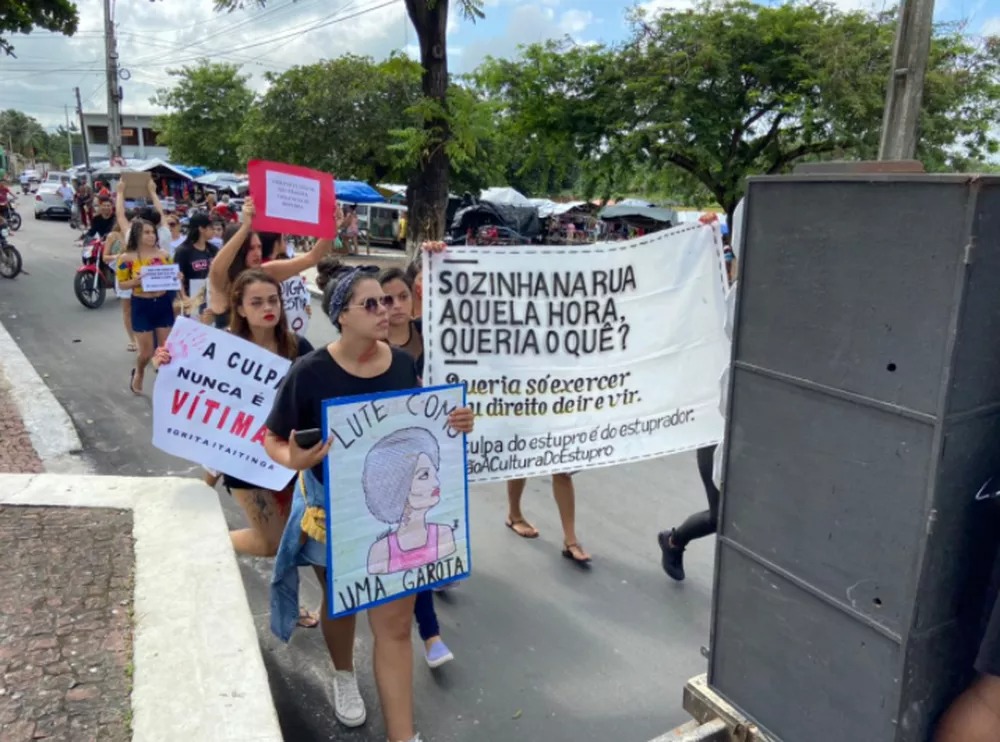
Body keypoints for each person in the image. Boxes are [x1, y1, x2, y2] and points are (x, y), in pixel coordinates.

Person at [265, 266, 475, 742]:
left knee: (396, 626)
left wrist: (457, 421)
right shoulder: (310, 372)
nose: (387, 311)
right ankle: (343, 675)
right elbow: (273, 438)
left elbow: (419, 420)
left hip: (395, 512)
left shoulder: (402, 363)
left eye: (388, 301)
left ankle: (403, 737)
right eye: (372, 304)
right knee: (342, 607)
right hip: (331, 512)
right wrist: (292, 456)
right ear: (341, 315)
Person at [657, 206, 741, 581]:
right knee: (722, 514)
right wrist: (699, 241)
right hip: (714, 424)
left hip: (756, 428)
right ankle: (674, 540)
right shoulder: (724, 303)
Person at [378, 266, 454, 669]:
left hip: (437, 448)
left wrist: (437, 256)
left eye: (402, 297)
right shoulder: (369, 347)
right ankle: (431, 634)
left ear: (415, 299)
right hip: (396, 458)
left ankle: (438, 574)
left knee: (429, 534)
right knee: (412, 539)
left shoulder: (436, 336)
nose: (394, 307)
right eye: (384, 300)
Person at [207, 198, 331, 328]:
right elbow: (216, 268)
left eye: (259, 247)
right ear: (238, 251)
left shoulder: (265, 272)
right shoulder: (222, 283)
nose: (257, 253)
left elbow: (312, 258)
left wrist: (331, 226)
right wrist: (245, 227)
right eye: (251, 248)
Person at [115, 218, 174, 395]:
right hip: (141, 304)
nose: (151, 236)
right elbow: (122, 284)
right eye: (146, 232)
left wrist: (177, 278)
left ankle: (165, 384)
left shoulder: (164, 255)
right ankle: (139, 371)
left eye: (152, 232)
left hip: (162, 303)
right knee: (146, 352)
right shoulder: (126, 258)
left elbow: (172, 277)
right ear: (136, 235)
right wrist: (136, 281)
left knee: (165, 350)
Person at [173, 212, 216, 319]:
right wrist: (183, 296)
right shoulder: (183, 251)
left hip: (211, 296)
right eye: (210, 227)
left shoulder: (213, 250)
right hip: (192, 297)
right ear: (201, 228)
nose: (214, 231)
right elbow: (177, 276)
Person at [102, 225, 137, 352]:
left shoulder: (141, 235)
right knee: (127, 310)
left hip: (140, 277)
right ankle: (133, 340)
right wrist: (118, 257)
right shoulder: (113, 236)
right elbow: (105, 257)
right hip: (124, 274)